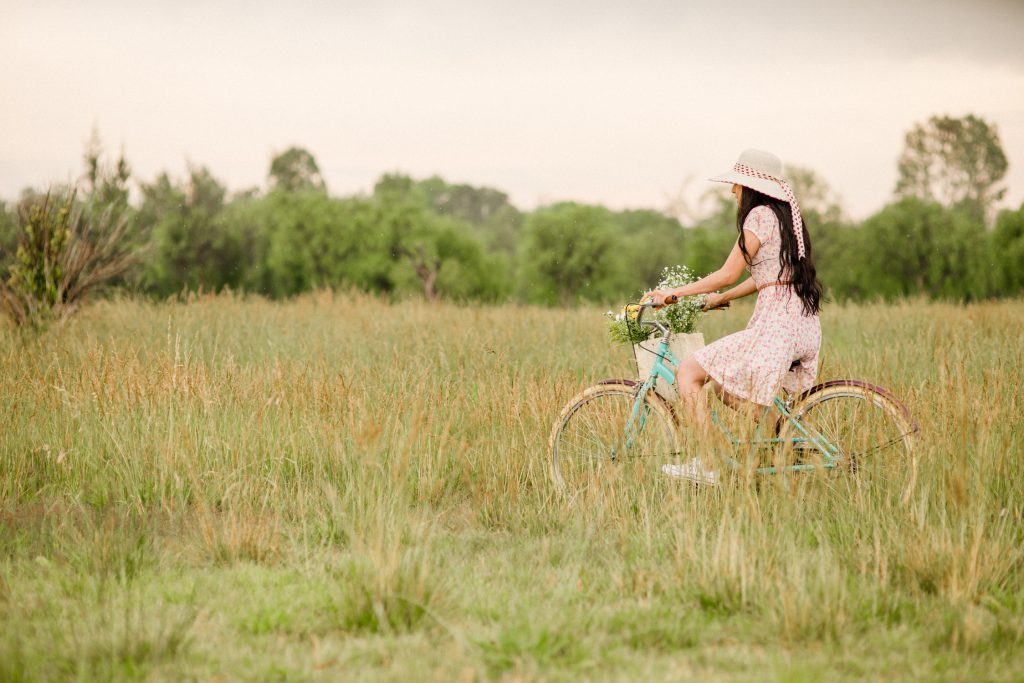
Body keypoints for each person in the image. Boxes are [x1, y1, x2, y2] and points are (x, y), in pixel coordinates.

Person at [641, 149, 824, 484]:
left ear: (752, 186)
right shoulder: (784, 218)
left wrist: (672, 295)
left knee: (688, 373)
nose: (732, 191)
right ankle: (783, 444)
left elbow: (727, 273)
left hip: (777, 325)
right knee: (728, 389)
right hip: (801, 322)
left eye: (737, 184)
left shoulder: (758, 218)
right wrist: (721, 299)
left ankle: (709, 464)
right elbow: (767, 275)